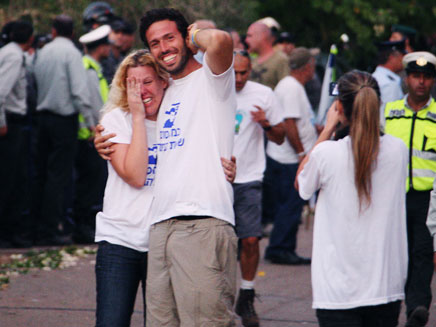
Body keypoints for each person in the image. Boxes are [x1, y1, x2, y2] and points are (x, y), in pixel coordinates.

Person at [297, 70, 408, 327]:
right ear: (377, 105)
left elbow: (301, 184)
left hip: (337, 291)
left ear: (340, 108)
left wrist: (326, 130)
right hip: (386, 286)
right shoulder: (398, 150)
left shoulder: (326, 154)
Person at [232, 49, 284, 327]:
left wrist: (265, 122)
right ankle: (217, 299)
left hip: (249, 177)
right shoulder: (211, 90)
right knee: (220, 244)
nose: (239, 78)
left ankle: (247, 294)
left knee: (250, 239)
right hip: (214, 178)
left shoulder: (263, 94)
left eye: (244, 72)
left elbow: (280, 137)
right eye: (234, 72)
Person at [383, 51, 436, 327]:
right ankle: (391, 308)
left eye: (427, 77)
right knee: (394, 253)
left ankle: (417, 307)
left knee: (422, 253)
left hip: (427, 199)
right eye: (416, 76)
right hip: (393, 197)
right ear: (406, 78)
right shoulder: (389, 112)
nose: (421, 82)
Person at [32, 15, 94, 245]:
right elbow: (79, 91)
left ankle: (37, 228)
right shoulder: (72, 54)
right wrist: (89, 122)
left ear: (54, 30)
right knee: (59, 176)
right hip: (64, 120)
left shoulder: (43, 51)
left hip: (42, 118)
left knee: (41, 174)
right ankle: (51, 230)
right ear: (72, 32)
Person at [263, 47, 317, 265]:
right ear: (307, 67)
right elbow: (289, 123)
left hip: (286, 156)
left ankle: (284, 246)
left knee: (290, 205)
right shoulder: (292, 88)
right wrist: (302, 153)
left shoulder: (291, 86)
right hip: (289, 158)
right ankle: (279, 248)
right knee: (290, 206)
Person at [72, 24, 111, 244]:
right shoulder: (87, 69)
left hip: (95, 132)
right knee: (88, 183)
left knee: (94, 182)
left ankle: (87, 225)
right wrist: (90, 128)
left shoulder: (93, 67)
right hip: (89, 135)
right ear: (101, 47)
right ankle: (82, 227)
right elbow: (87, 102)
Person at [0, 20, 34, 248]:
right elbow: (1, 91)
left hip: (12, 121)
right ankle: (8, 234)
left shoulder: (7, 51)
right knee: (11, 180)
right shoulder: (14, 56)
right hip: (10, 123)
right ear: (30, 38)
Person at [245, 21, 289, 89]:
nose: (246, 40)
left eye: (249, 36)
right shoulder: (252, 61)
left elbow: (286, 89)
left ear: (261, 36)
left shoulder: (281, 60)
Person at [372, 40, 405, 112]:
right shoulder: (390, 84)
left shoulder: (375, 77)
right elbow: (388, 116)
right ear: (391, 57)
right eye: (402, 56)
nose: (403, 60)